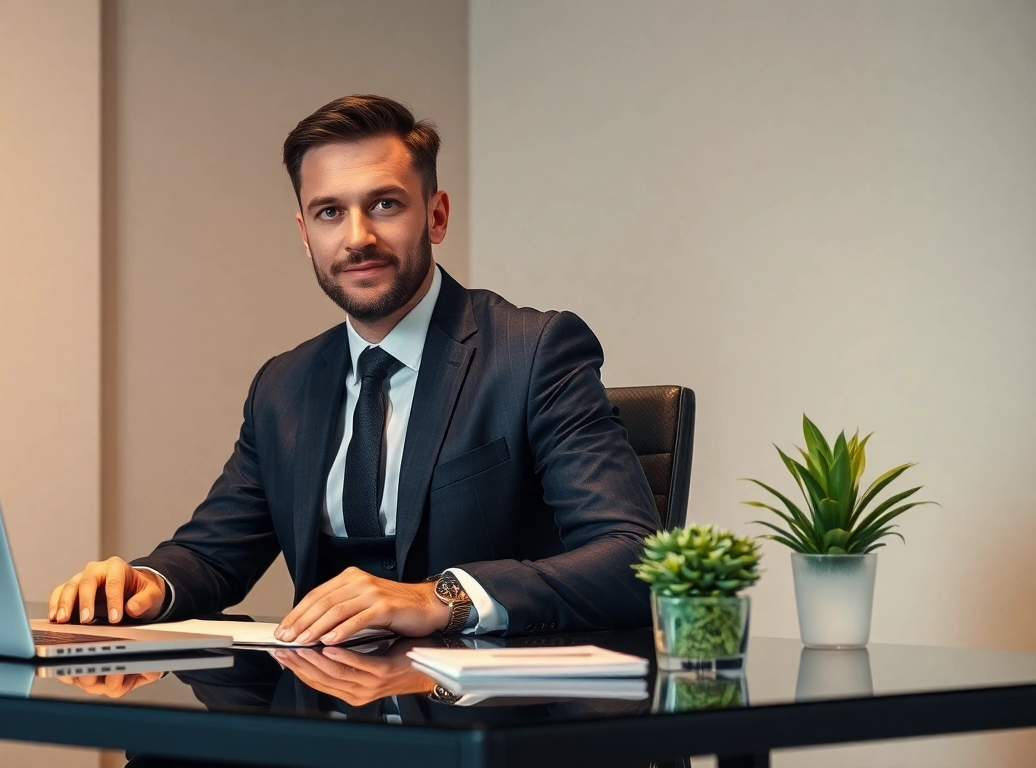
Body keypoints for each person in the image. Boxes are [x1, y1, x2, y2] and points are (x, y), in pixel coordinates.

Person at [49, 94, 659, 643]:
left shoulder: (534, 352)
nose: (357, 237)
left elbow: (634, 559)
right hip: (323, 701)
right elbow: (214, 556)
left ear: (437, 215)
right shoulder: (282, 386)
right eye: (329, 212)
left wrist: (440, 597)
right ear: (305, 234)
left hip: (484, 711)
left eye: (385, 204)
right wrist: (147, 583)